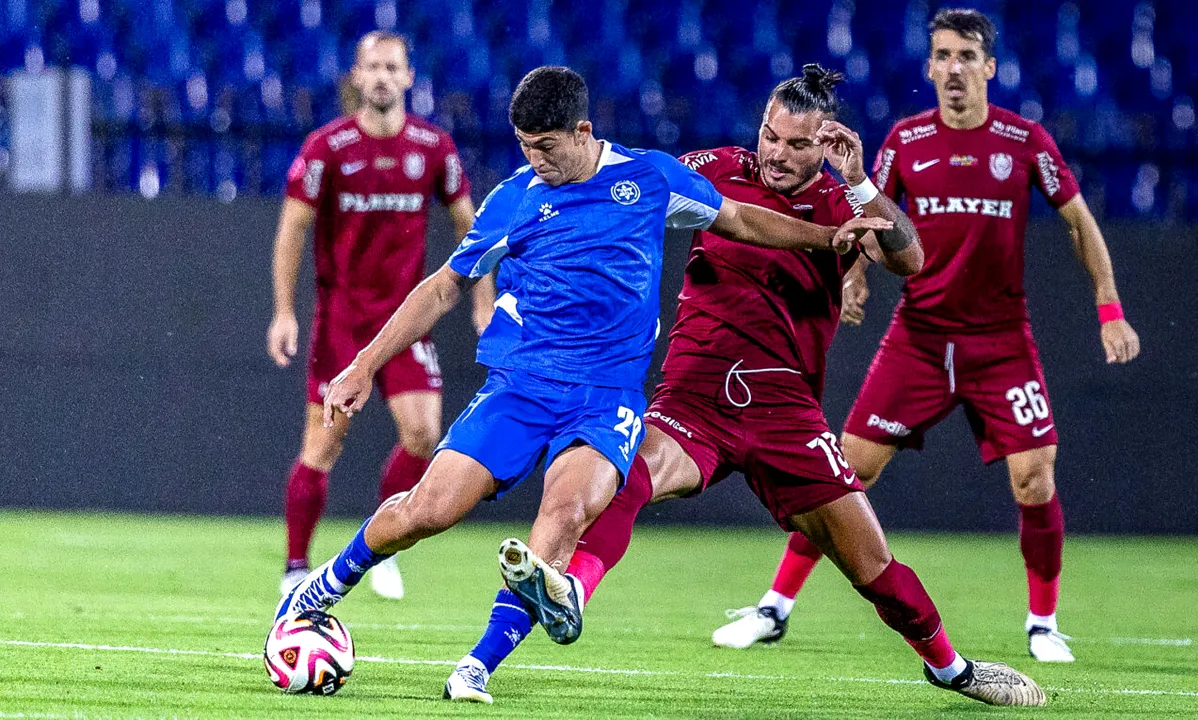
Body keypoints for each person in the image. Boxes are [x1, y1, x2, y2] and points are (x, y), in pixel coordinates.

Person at [442, 65, 1046, 708]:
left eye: (795, 144)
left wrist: (862, 181)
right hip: (695, 393)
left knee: (871, 565)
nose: (776, 153)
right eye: (769, 135)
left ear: (826, 145)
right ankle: (567, 595)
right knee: (624, 476)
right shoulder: (714, 167)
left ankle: (950, 668)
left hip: (787, 411)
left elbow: (910, 258)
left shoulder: (846, 202)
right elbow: (621, 184)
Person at [274, 63, 888, 663]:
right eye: (524, 147)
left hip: (605, 399)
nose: (535, 159)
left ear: (582, 133)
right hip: (520, 388)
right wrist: (362, 365)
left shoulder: (647, 179)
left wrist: (823, 238)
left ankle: (480, 664)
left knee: (565, 516)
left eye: (545, 147)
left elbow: (739, 218)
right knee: (428, 510)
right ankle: (324, 585)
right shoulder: (515, 198)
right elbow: (442, 287)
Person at [712, 8, 1141, 664]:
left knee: (1035, 477)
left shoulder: (1024, 141)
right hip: (918, 336)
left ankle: (1043, 622)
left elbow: (1080, 221)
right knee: (844, 472)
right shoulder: (907, 141)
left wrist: (1109, 309)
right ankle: (775, 607)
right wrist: (852, 276)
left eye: (966, 56)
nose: (953, 68)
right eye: (941, 56)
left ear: (989, 67)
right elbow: (867, 212)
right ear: (930, 66)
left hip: (1000, 343)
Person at [268, 31, 494, 600]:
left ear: (409, 77)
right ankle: (296, 566)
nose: (383, 77)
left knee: (423, 434)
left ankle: (378, 543)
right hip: (342, 320)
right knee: (324, 443)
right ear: (356, 76)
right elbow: (293, 227)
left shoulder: (434, 148)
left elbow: (471, 227)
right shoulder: (328, 147)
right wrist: (283, 311)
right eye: (373, 67)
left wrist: (483, 299)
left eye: (393, 67)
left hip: (404, 322)